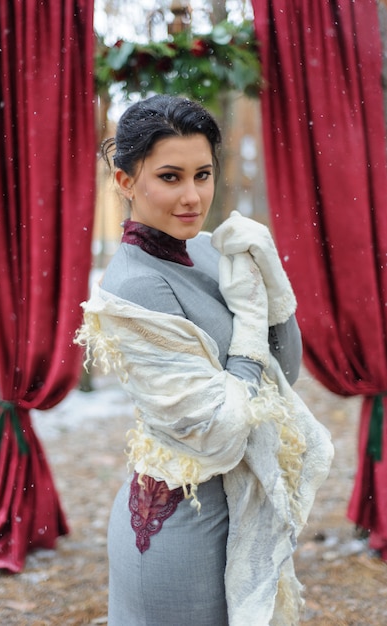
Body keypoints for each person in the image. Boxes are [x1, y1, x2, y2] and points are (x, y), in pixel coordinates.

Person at [76, 95, 333, 626]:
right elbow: (219, 429)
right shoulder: (137, 286)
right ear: (125, 182)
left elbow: (282, 373)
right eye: (170, 177)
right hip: (179, 531)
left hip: (236, 511)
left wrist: (270, 281)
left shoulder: (209, 249)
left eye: (203, 174)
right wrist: (246, 332)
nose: (192, 197)